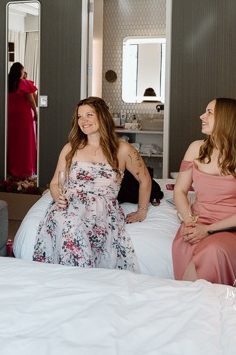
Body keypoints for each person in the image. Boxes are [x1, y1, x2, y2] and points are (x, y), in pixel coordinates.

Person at [32, 97, 151, 269]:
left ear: (102, 117)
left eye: (89, 115)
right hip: (70, 205)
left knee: (76, 226)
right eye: (80, 116)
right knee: (69, 223)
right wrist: (58, 198)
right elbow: (55, 183)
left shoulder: (123, 149)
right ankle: (74, 278)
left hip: (102, 210)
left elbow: (145, 179)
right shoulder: (71, 148)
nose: (83, 121)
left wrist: (142, 211)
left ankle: (82, 279)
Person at [172, 98, 236, 288]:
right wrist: (189, 222)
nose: (202, 116)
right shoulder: (196, 148)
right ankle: (190, 304)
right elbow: (180, 190)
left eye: (209, 112)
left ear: (227, 119)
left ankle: (187, 304)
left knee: (213, 249)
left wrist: (207, 230)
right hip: (198, 223)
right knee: (190, 244)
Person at [7, 62, 38, 178]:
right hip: (23, 115)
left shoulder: (8, 83)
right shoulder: (23, 83)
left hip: (9, 115)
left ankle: (12, 168)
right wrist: (36, 113)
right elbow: (31, 100)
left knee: (13, 142)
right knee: (25, 141)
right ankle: (25, 169)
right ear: (20, 71)